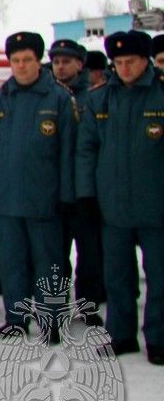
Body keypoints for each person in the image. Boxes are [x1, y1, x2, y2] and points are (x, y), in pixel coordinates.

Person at [0, 32, 77, 340]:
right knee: (12, 263)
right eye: (16, 61)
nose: (21, 66)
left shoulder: (58, 98)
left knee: (49, 262)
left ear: (38, 62)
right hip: (6, 200)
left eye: (27, 60)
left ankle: (52, 320)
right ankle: (16, 319)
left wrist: (67, 194)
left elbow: (69, 151)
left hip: (44, 198)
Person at [76, 30, 164, 364]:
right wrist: (86, 196)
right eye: (119, 62)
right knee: (117, 276)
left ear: (146, 61)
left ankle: (158, 337)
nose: (124, 69)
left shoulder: (160, 96)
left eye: (131, 62)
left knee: (159, 277)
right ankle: (122, 334)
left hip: (156, 206)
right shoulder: (100, 100)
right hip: (112, 207)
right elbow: (86, 151)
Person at [47, 39, 104, 320]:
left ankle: (88, 306)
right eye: (56, 61)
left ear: (80, 64)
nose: (60, 66)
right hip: (55, 189)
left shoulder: (93, 97)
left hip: (85, 190)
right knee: (56, 256)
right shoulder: (47, 96)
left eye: (66, 61)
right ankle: (56, 307)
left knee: (89, 254)